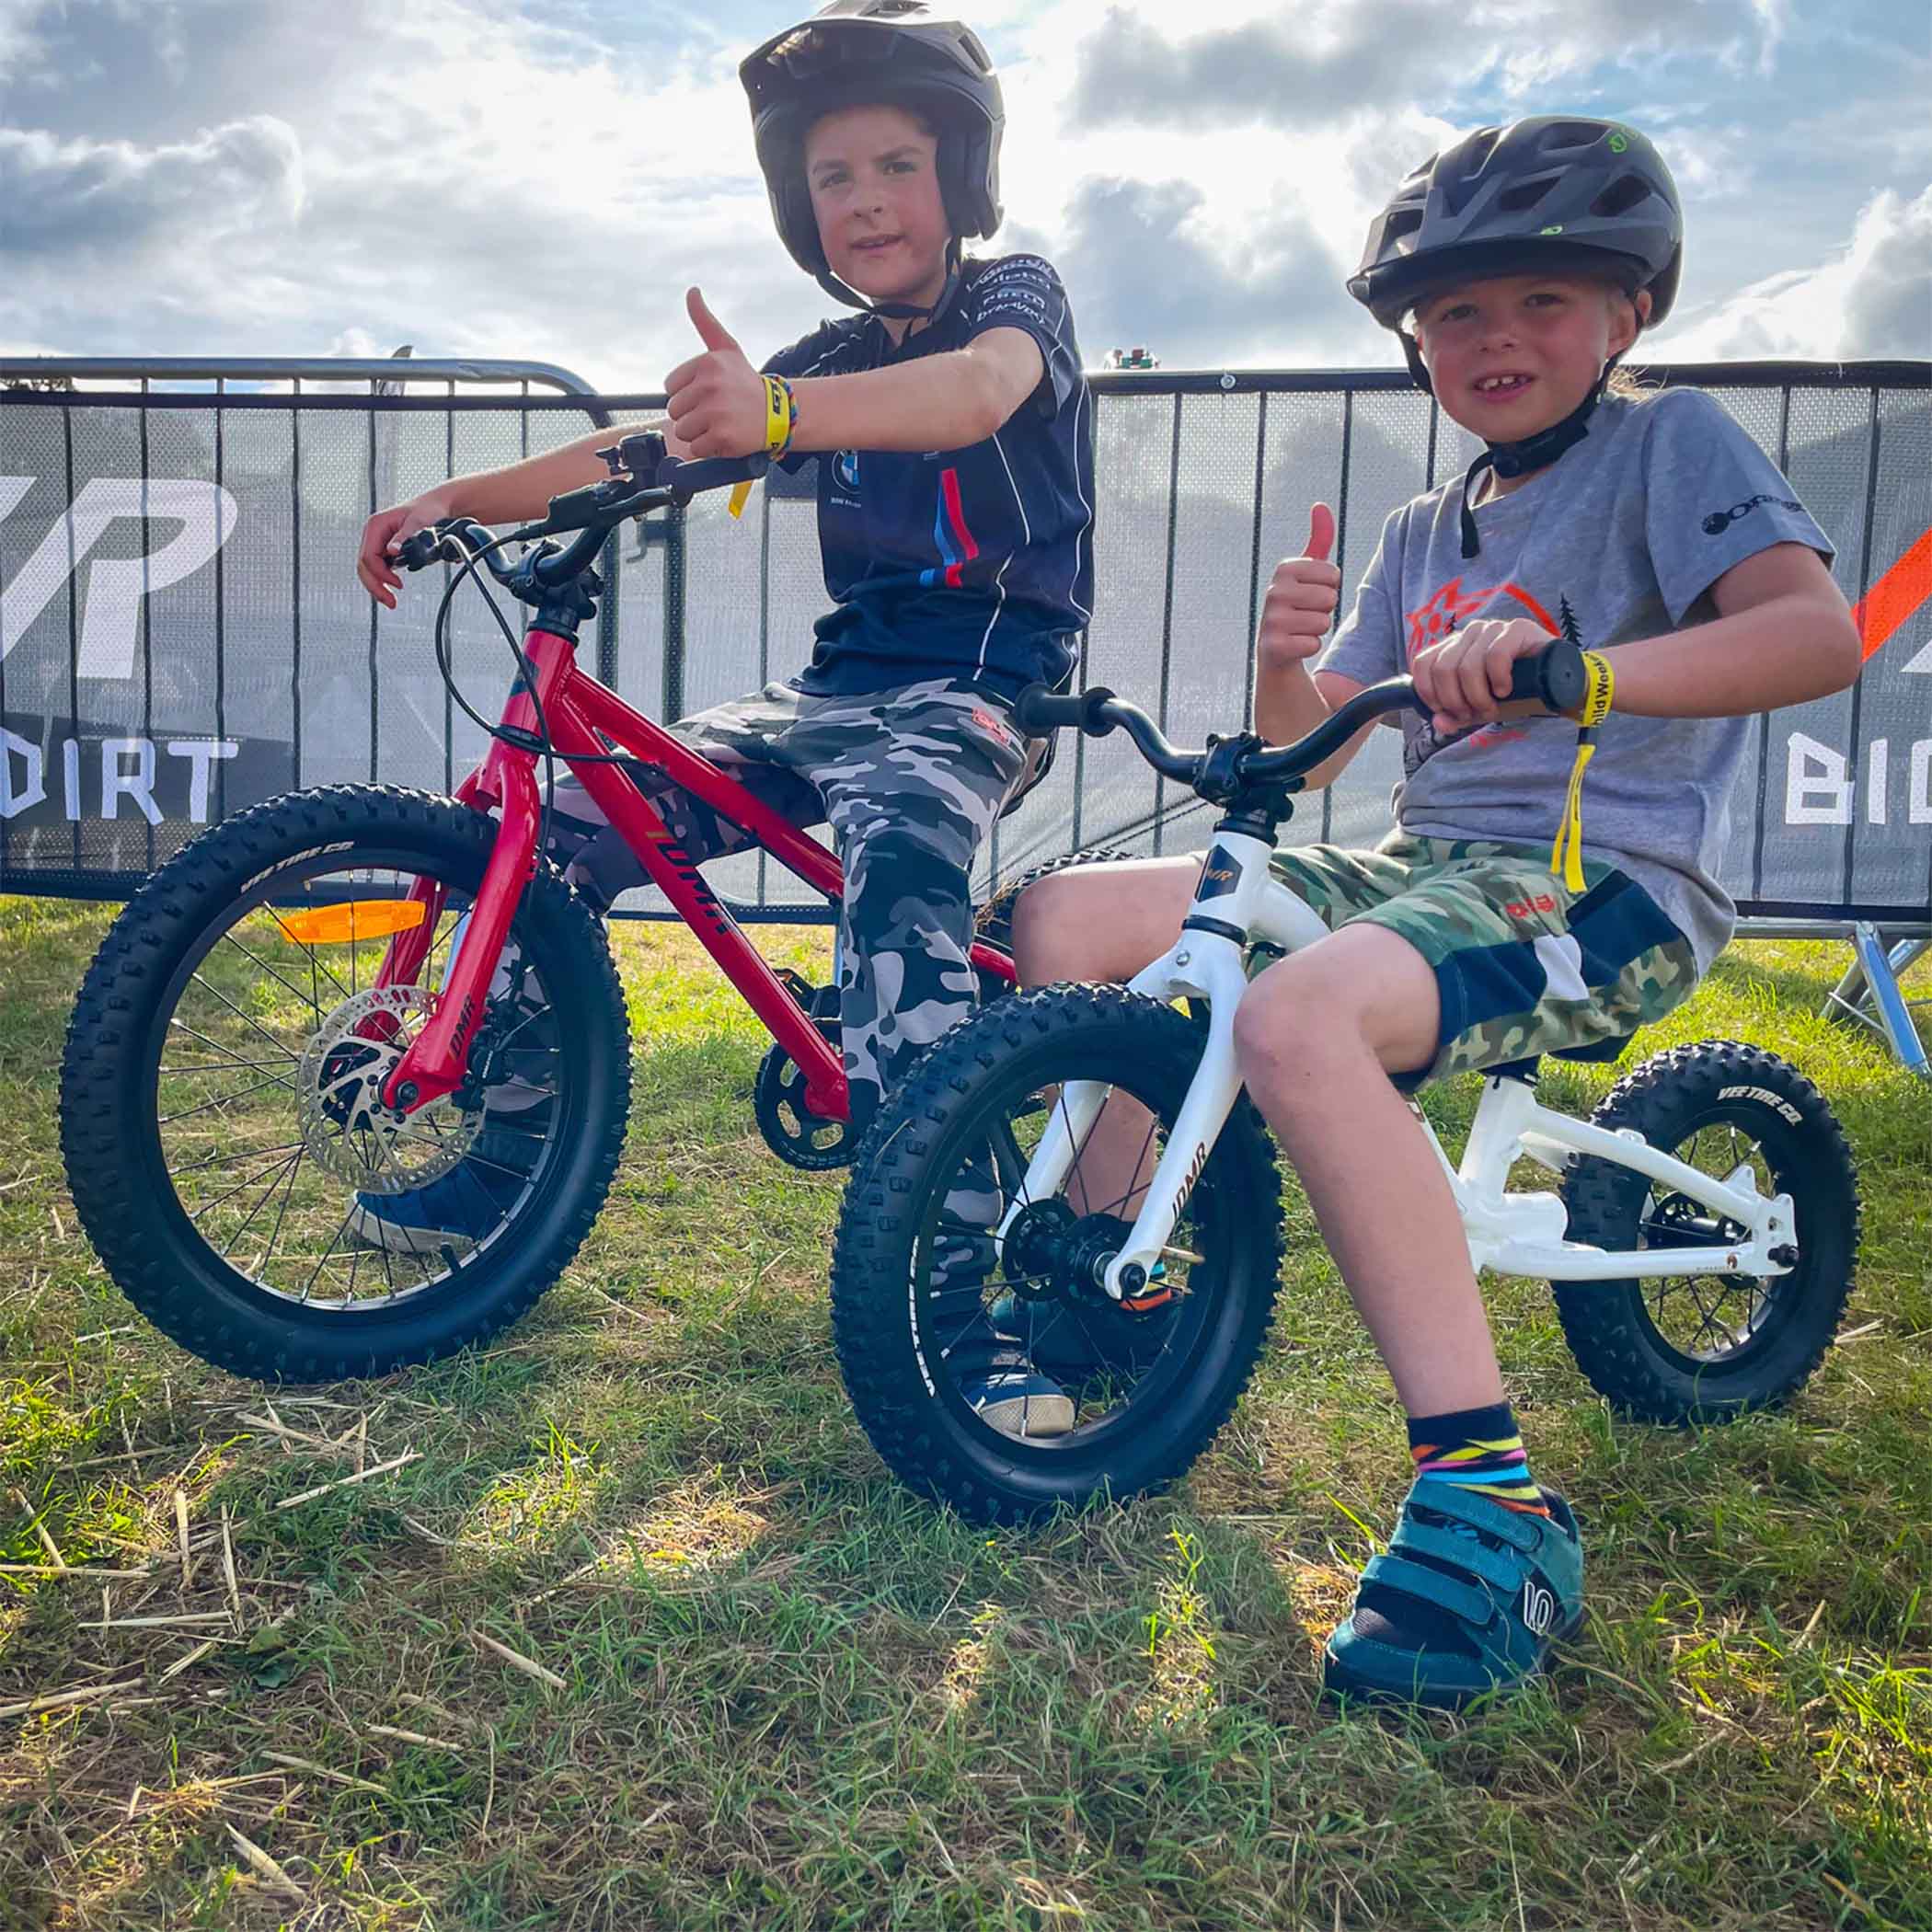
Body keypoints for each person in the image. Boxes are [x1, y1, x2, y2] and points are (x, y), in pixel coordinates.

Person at [1009, 116, 1863, 1703]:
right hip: (1428, 868)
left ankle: (1493, 1499)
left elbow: (1817, 637)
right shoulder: (1422, 531)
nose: (1495, 339)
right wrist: (1285, 658)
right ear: (1415, 343)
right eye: (1456, 313)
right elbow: (1301, 743)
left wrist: (1583, 671)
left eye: (1544, 301)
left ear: (1631, 312)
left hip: (1606, 879)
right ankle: (1096, 1297)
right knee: (1064, 920)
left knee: (1293, 1016)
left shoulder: (1674, 451)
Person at [352, 0, 1095, 1434]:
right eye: (833, 178)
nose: (867, 200)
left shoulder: (1016, 299)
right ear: (796, 204)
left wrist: (779, 414)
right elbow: (638, 443)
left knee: (897, 890)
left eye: (896, 165)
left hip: (983, 689)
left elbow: (972, 397)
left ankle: (957, 1304)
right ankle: (510, 1173)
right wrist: (455, 497)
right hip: (830, 692)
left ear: (960, 174)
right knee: (562, 822)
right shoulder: (812, 360)